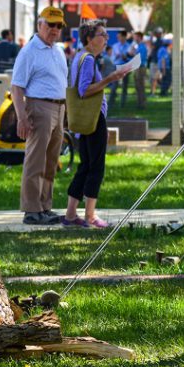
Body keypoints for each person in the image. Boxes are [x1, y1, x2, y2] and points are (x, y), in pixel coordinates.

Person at [63, 20, 126, 228]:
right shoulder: (88, 59)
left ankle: (71, 214)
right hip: (93, 118)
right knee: (96, 166)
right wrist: (110, 78)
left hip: (86, 119)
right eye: (102, 34)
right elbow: (84, 90)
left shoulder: (80, 57)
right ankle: (90, 215)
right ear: (90, 38)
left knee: (85, 165)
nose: (106, 38)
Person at [10, 7, 69, 225]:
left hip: (58, 108)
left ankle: (45, 206)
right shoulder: (29, 51)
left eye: (58, 26)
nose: (54, 29)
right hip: (39, 107)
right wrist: (22, 117)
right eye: (50, 24)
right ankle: (31, 209)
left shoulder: (58, 50)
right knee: (35, 160)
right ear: (39, 25)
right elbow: (17, 87)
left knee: (51, 161)